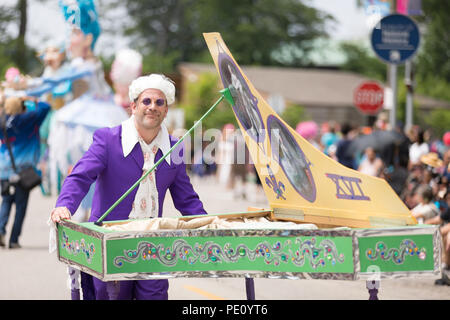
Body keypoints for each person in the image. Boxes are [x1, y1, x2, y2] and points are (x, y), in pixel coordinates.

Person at [50, 74, 207, 300]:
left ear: (166, 110)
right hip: (111, 247)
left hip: (155, 249)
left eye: (159, 102)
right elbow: (79, 176)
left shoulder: (175, 148)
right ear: (133, 106)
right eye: (146, 101)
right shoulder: (108, 139)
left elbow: (186, 199)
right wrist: (64, 205)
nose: (152, 107)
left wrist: (209, 224)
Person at [0, 95, 50, 248]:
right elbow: (45, 107)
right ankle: (14, 240)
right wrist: (31, 99)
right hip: (24, 170)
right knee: (21, 206)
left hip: (4, 169)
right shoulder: (29, 119)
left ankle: (1, 229)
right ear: (22, 107)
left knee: (6, 201)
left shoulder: (2, 121)